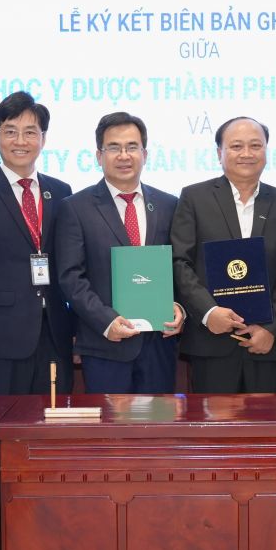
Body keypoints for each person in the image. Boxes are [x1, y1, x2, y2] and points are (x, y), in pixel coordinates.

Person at [54, 112, 185, 393]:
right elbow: (71, 278)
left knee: (159, 420)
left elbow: (180, 266)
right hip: (105, 346)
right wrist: (106, 321)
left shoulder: (169, 204)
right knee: (110, 422)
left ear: (145, 154)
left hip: (158, 345)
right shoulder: (75, 208)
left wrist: (180, 308)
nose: (124, 156)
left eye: (132, 147)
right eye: (114, 147)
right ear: (99, 156)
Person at [0, 91, 74, 395]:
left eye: (30, 132)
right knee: (2, 421)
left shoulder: (61, 191)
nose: (20, 141)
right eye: (10, 131)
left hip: (54, 333)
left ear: (43, 139)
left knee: (53, 417)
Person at [170, 117, 276, 393]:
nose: (246, 153)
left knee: (269, 419)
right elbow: (180, 261)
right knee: (215, 421)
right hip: (211, 341)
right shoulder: (194, 198)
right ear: (220, 152)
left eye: (255, 145)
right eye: (236, 146)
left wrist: (272, 329)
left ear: (266, 151)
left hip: (266, 344)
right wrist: (209, 312)